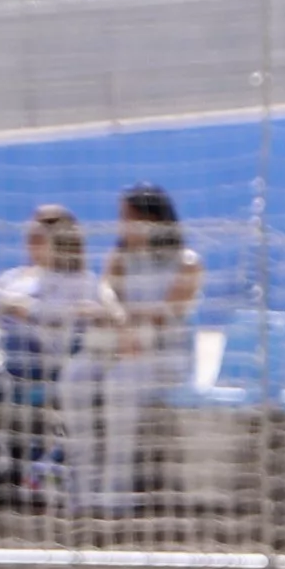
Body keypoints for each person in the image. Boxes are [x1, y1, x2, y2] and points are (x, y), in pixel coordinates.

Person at [0, 203, 116, 509]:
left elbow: (83, 315)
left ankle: (22, 461)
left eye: (39, 238)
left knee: (16, 350)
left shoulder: (82, 282)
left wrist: (31, 311)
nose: (32, 245)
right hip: (8, 354)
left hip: (51, 360)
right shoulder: (19, 276)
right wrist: (12, 303)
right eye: (29, 237)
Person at [90, 183, 203, 516]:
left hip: (167, 358)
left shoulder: (187, 262)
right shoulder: (121, 257)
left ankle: (116, 492)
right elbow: (106, 292)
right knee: (76, 376)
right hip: (125, 347)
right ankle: (79, 486)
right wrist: (123, 322)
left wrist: (127, 320)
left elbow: (168, 313)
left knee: (121, 381)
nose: (121, 225)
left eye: (129, 217)